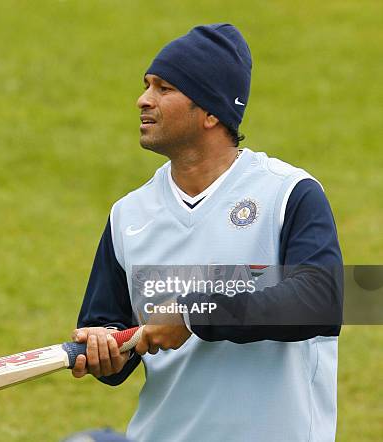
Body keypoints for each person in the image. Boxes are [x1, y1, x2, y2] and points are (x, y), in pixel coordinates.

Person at [71, 24, 343, 441]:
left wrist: (193, 313)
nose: (142, 100)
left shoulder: (288, 194)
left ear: (212, 112)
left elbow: (321, 300)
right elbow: (108, 330)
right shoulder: (128, 214)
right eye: (147, 86)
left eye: (164, 89)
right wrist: (104, 348)